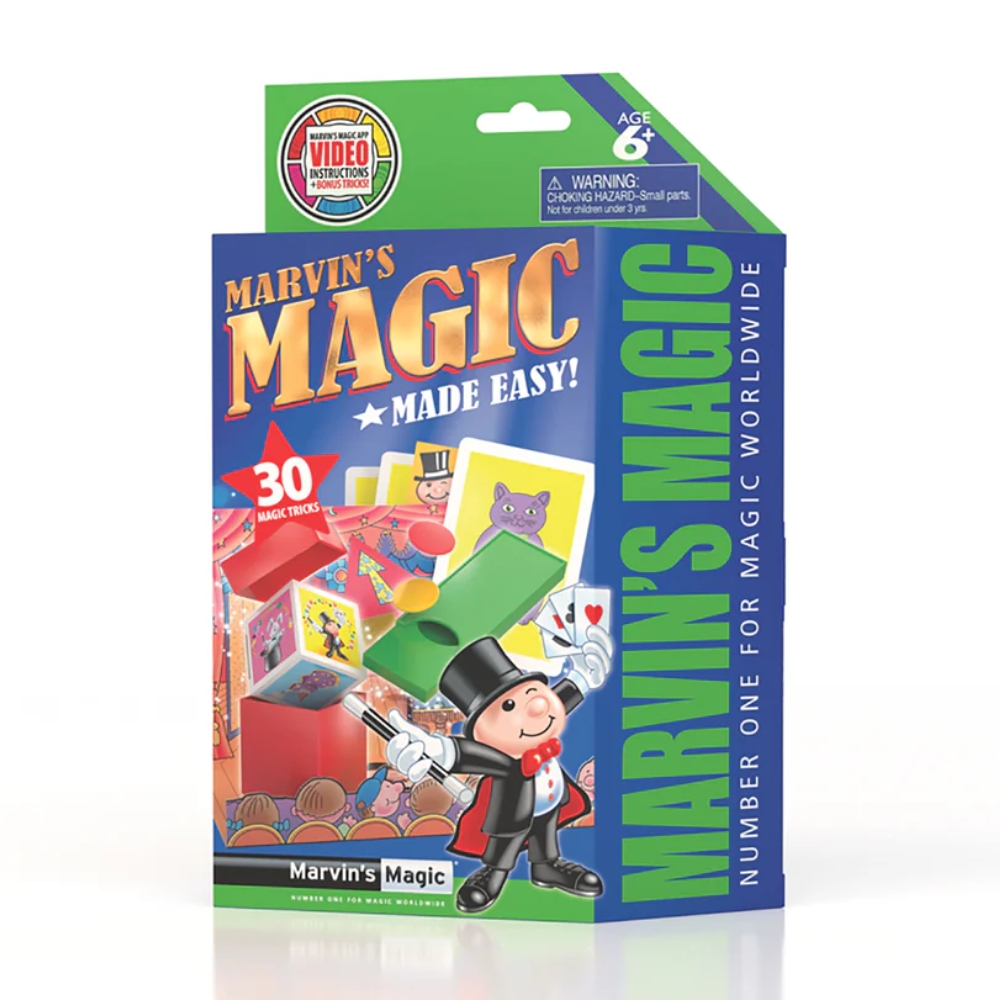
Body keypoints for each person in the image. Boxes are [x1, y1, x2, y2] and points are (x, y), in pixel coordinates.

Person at [385, 624, 612, 914]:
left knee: (545, 832)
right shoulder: (503, 758)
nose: (536, 707)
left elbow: (558, 702)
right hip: (514, 809)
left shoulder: (543, 716)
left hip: (552, 798)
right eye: (508, 706)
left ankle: (546, 866)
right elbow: (465, 754)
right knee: (507, 842)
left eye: (533, 692)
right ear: (481, 732)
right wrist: (435, 749)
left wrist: (582, 677)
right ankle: (493, 873)